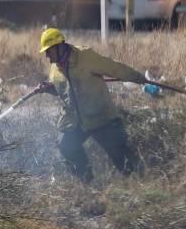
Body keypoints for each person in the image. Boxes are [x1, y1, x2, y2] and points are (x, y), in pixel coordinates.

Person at [34, 27, 146, 181]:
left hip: (101, 117)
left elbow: (113, 67)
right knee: (66, 145)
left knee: (123, 159)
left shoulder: (85, 56)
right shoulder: (55, 70)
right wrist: (50, 88)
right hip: (77, 122)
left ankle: (140, 182)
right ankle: (87, 182)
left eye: (49, 51)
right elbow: (66, 92)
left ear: (59, 46)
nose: (47, 56)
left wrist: (137, 77)